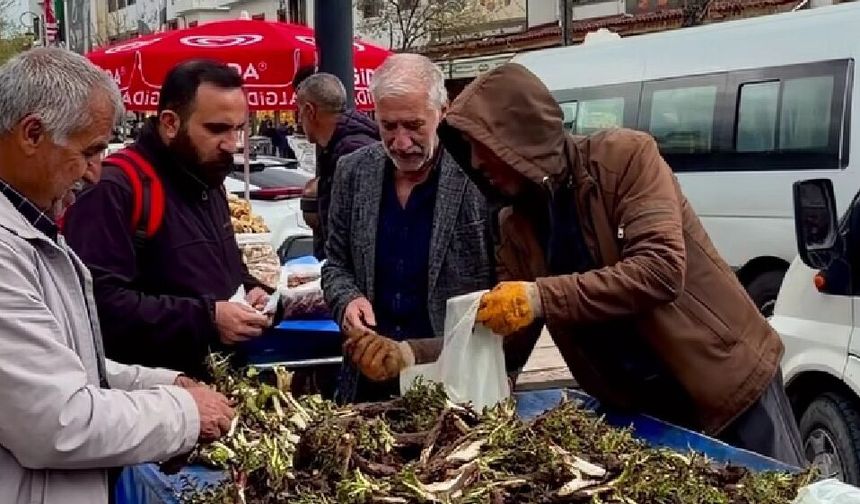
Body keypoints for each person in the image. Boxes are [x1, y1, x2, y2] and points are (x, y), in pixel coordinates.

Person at [437, 62, 806, 466]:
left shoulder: (626, 158)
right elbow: (504, 340)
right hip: (645, 411)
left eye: (481, 144)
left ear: (516, 137)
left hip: (728, 386)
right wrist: (412, 354)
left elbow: (661, 269)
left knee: (775, 488)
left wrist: (539, 295)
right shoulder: (515, 224)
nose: (474, 162)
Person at [0, 47, 234, 504]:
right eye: (90, 151)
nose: (94, 173)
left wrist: (157, 384)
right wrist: (184, 413)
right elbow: (56, 420)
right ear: (32, 134)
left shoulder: (34, 225)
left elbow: (62, 361)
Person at [63, 59, 272, 379]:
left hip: (219, 390)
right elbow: (97, 306)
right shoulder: (115, 189)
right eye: (217, 129)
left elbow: (218, 268)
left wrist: (249, 289)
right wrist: (208, 318)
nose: (232, 144)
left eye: (239, 129)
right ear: (171, 123)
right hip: (152, 402)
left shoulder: (207, 179)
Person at [321, 54, 494, 402]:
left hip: (456, 383)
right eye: (388, 126)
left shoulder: (480, 174)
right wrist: (346, 300)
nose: (400, 142)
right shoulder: (352, 171)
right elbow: (335, 264)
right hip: (369, 384)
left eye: (414, 126)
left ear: (442, 111)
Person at [294, 71, 380, 259]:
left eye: (298, 112)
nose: (298, 120)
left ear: (310, 111)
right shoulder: (339, 147)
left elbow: (362, 225)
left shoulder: (352, 151)